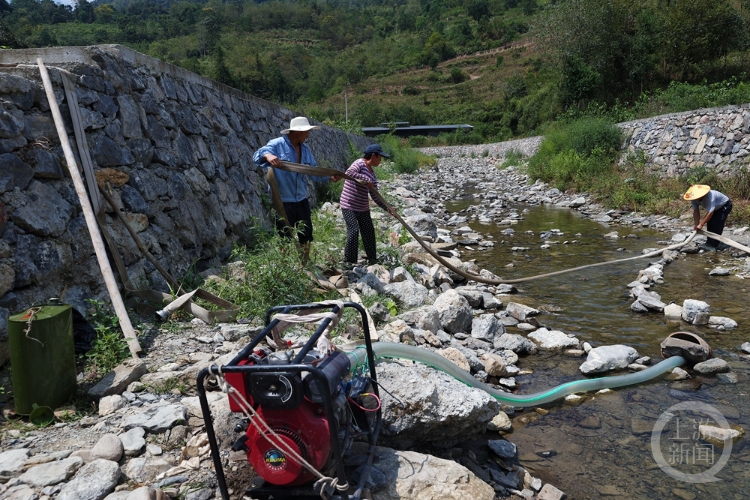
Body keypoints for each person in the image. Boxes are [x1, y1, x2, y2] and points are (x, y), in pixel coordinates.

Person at [253, 116, 341, 263]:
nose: (308, 135)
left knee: (306, 233)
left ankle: (305, 264)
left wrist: (329, 177)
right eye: (307, 132)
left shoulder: (305, 150)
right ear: (298, 132)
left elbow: (313, 171)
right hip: (283, 201)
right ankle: (285, 266)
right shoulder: (277, 144)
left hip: (301, 199)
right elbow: (257, 156)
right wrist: (268, 156)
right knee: (285, 236)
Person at [340, 144, 395, 266]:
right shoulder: (359, 163)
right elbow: (349, 172)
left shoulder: (373, 175)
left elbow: (375, 196)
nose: (380, 160)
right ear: (374, 155)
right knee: (354, 230)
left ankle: (372, 258)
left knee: (369, 231)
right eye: (380, 157)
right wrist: (365, 179)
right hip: (349, 205)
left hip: (362, 207)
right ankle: (349, 261)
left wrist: (388, 208)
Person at [684, 184, 732, 250]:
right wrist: (696, 224)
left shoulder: (710, 197)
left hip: (724, 205)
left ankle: (715, 244)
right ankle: (709, 243)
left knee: (717, 223)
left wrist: (701, 224)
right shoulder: (693, 199)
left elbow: (710, 213)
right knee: (709, 223)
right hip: (715, 208)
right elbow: (696, 212)